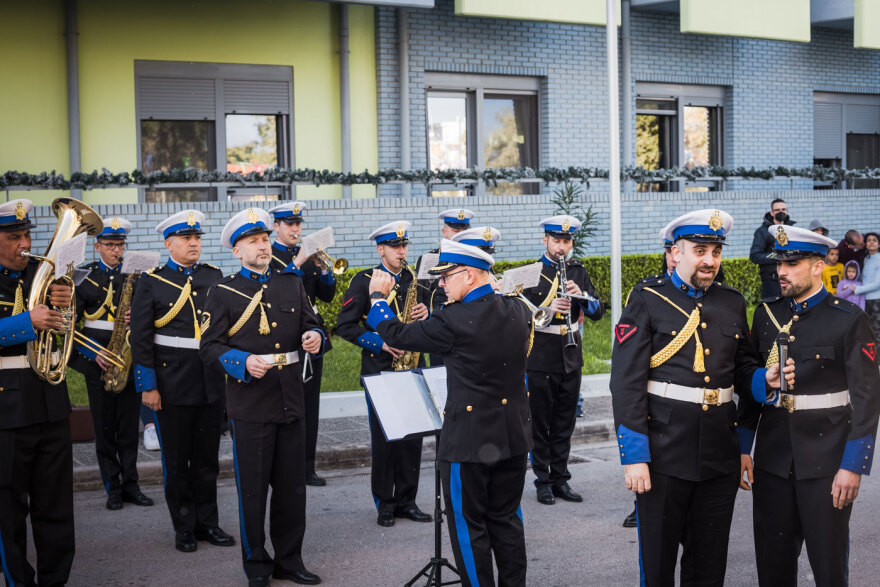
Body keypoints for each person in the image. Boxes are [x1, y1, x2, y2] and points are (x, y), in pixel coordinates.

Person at [610, 209, 792, 586]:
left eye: (716, 251)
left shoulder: (730, 301)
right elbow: (625, 383)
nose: (710, 260)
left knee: (709, 567)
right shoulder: (647, 299)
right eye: (700, 250)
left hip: (718, 456)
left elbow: (741, 370)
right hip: (663, 454)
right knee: (658, 564)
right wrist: (635, 457)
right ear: (677, 253)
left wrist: (764, 379)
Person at [366, 239, 533, 587]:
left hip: (468, 443)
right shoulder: (518, 311)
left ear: (470, 275)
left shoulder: (453, 320)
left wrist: (378, 300)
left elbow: (397, 333)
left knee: (468, 527)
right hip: (513, 436)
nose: (441, 284)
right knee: (506, 519)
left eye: (447, 277)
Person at [737, 225, 880, 587]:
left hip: (827, 465)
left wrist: (853, 466)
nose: (781, 271)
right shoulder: (766, 314)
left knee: (829, 569)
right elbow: (754, 381)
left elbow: (866, 398)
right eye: (778, 264)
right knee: (772, 569)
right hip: (772, 462)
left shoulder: (848, 318)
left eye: (793, 263)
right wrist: (743, 447)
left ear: (818, 266)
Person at [201, 207, 324, 587]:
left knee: (292, 491)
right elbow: (208, 347)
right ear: (236, 251)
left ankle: (290, 560)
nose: (262, 246)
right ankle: (256, 564)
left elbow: (312, 322)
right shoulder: (221, 291)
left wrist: (317, 337)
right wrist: (240, 361)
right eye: (253, 242)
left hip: (291, 399)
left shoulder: (290, 282)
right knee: (253, 492)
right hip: (251, 403)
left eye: (265, 239)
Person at [130, 209, 235, 553]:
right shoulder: (151, 281)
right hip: (171, 383)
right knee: (176, 462)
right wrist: (148, 385)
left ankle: (208, 523)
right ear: (168, 243)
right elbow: (141, 337)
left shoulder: (213, 276)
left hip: (209, 382)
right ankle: (184, 527)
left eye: (197, 238)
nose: (194, 243)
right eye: (187, 238)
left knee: (207, 461)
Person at [336, 220, 432, 527]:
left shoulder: (412, 279)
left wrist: (425, 315)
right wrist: (379, 342)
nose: (402, 251)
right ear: (381, 250)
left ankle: (407, 499)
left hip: (413, 366)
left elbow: (426, 319)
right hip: (381, 369)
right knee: (386, 439)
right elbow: (345, 325)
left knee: (412, 438)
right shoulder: (363, 280)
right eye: (395, 247)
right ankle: (385, 502)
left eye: (404, 246)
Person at [0, 199, 76, 586]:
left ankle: (54, 580)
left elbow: (67, 346)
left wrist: (63, 315)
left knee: (56, 506)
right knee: (8, 507)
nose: (24, 243)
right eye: (14, 237)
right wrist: (25, 322)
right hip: (6, 406)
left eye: (27, 235)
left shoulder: (42, 275)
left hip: (50, 402)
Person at [69, 216, 154, 510]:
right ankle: (113, 487)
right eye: (110, 245)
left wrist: (140, 318)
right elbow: (69, 327)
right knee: (104, 428)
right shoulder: (84, 277)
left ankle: (132, 485)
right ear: (97, 247)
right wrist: (94, 354)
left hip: (127, 357)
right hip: (98, 359)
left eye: (120, 245)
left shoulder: (138, 276)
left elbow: (153, 316)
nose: (116, 251)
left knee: (129, 427)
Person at [521, 215, 604, 505]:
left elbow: (598, 310)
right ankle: (543, 480)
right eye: (557, 240)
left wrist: (581, 297)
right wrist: (548, 306)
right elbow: (519, 317)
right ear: (545, 240)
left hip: (570, 355)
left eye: (567, 241)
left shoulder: (577, 271)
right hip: (541, 355)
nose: (562, 247)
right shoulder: (532, 273)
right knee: (541, 422)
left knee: (564, 422)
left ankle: (561, 478)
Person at [267, 201, 336, 487]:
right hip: (284, 338)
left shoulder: (308, 255)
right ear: (277, 227)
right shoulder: (268, 257)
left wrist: (324, 271)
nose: (296, 229)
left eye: (298, 224)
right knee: (286, 405)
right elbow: (277, 288)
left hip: (312, 335)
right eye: (290, 224)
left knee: (310, 405)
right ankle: (285, 466)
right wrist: (299, 262)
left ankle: (308, 467)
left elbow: (328, 296)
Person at [415, 208, 474, 366]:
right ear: (444, 231)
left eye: (464, 231)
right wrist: (427, 311)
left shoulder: (475, 259)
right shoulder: (429, 259)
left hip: (470, 333)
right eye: (455, 231)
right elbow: (420, 296)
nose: (460, 235)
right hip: (441, 332)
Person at [750, 198, 794, 299]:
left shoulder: (791, 229)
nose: (781, 212)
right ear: (772, 212)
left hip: (791, 279)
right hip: (772, 281)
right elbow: (755, 256)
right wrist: (777, 256)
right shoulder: (763, 232)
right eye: (777, 210)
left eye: (783, 209)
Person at [853, 232, 880, 341]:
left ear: (879, 244)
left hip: (877, 300)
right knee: (869, 329)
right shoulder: (866, 259)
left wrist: (857, 289)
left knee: (877, 330)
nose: (871, 242)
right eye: (869, 240)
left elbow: (877, 284)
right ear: (865, 244)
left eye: (874, 240)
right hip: (865, 300)